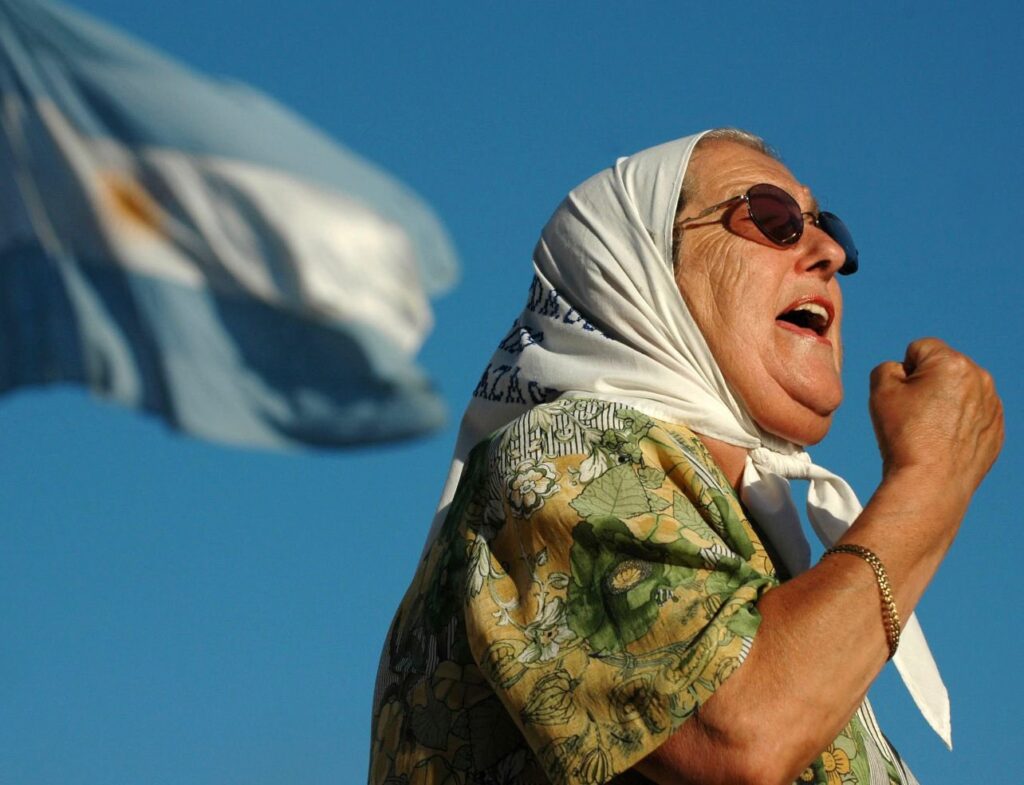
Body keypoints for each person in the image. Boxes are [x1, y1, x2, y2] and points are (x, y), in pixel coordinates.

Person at [368, 129, 1003, 785]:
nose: (832, 253)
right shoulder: (559, 452)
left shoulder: (768, 577)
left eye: (828, 226)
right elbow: (741, 735)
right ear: (639, 271)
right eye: (772, 218)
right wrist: (932, 479)